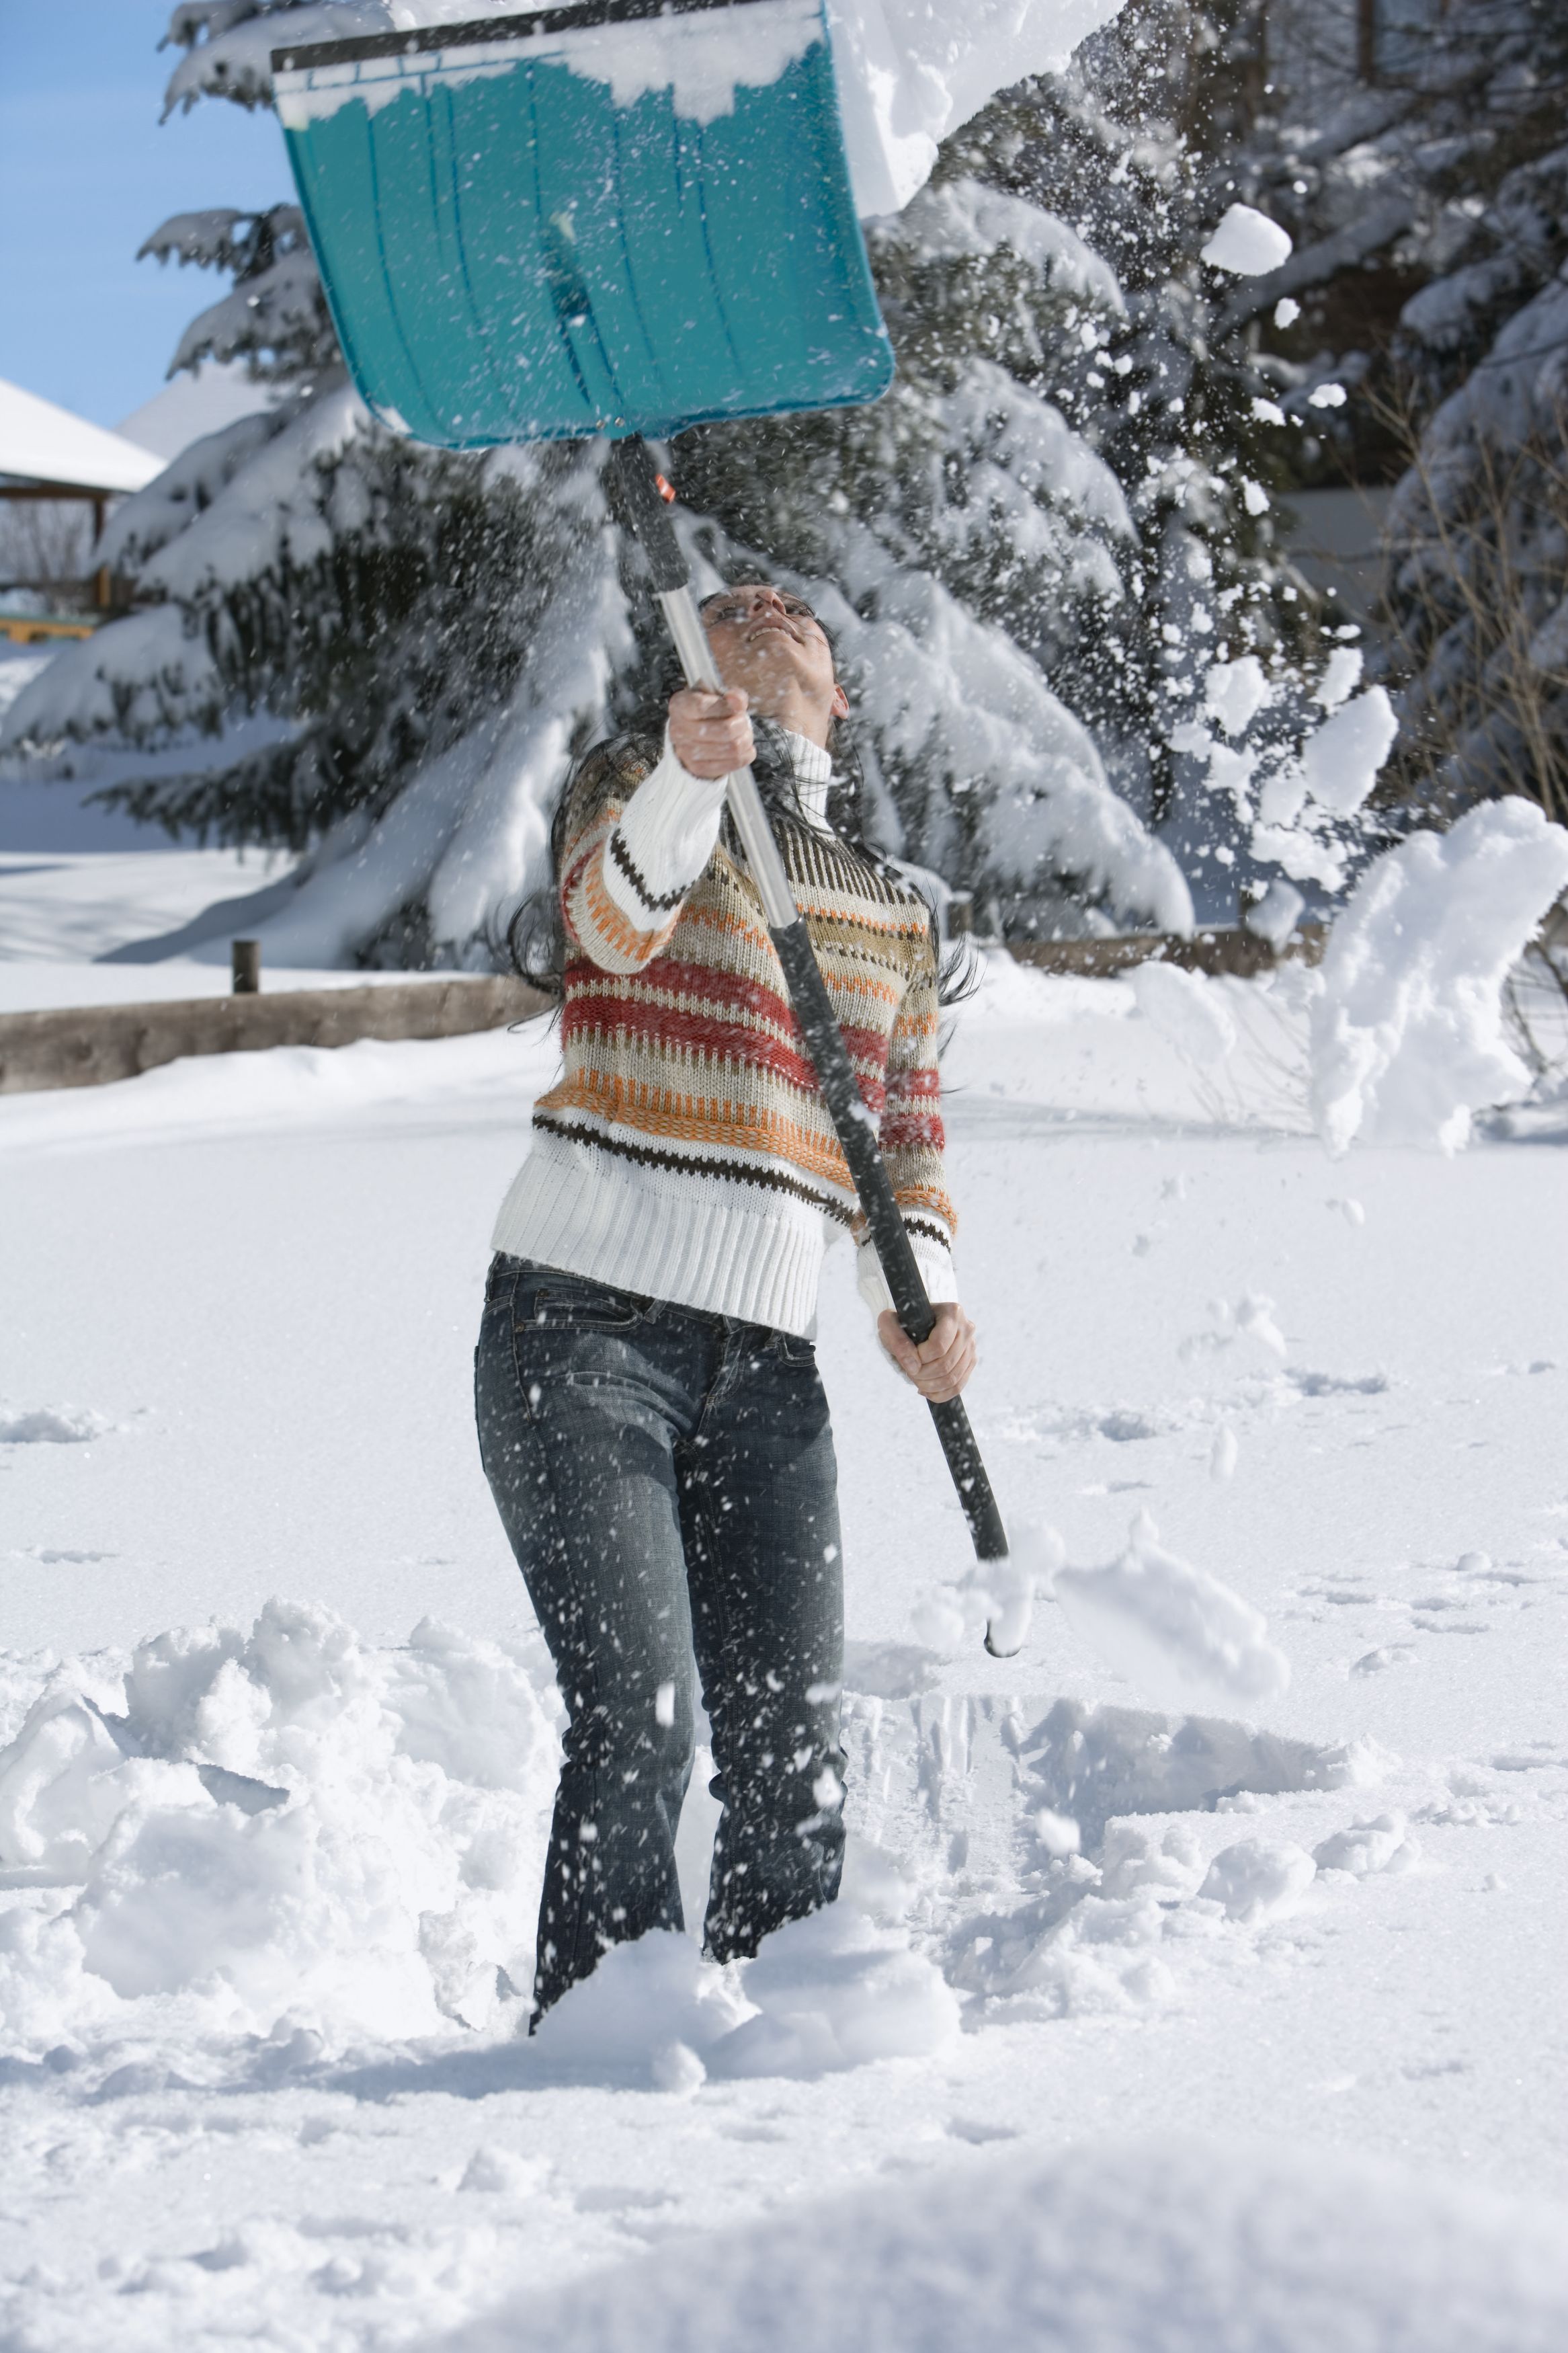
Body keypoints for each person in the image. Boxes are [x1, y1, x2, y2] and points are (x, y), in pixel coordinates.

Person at [474, 582, 976, 2023]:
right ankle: (597, 2046)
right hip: (576, 1333)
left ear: (842, 698)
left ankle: (782, 2048)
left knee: (790, 1739)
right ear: (693, 671)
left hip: (770, 1364)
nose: (766, 609)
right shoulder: (638, 788)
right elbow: (613, 925)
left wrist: (923, 1294)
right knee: (641, 1721)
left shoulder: (889, 910)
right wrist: (699, 776)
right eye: (734, 606)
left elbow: (905, 1133)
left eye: (805, 617)